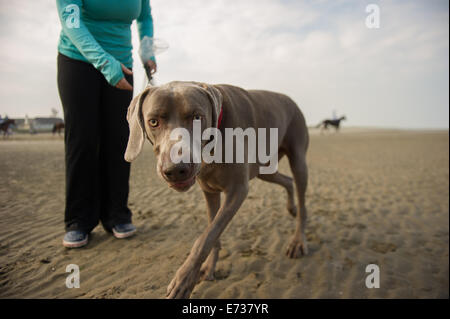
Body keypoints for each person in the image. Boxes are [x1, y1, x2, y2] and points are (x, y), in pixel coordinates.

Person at [56, 0, 157, 248]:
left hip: (122, 63)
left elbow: (145, 17)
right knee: (83, 141)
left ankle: (117, 215)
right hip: (77, 60)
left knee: (119, 139)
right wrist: (105, 63)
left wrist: (147, 51)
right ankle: (78, 221)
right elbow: (72, 22)